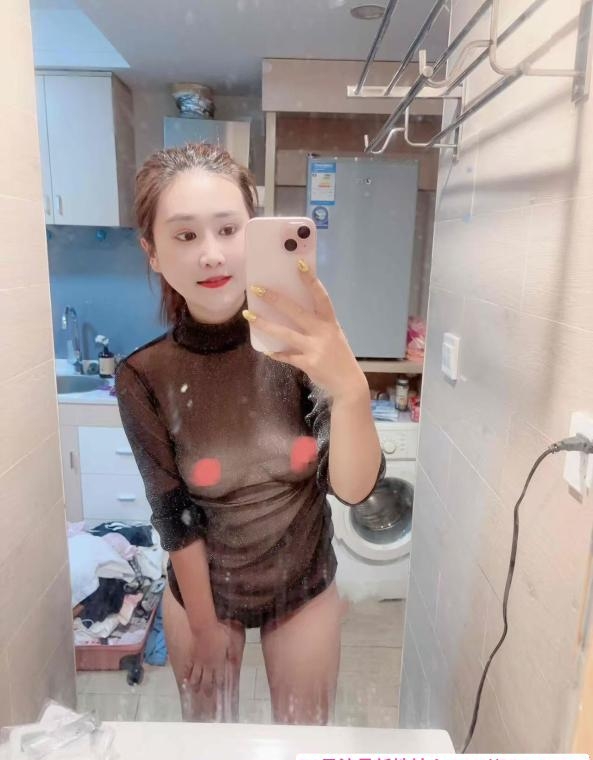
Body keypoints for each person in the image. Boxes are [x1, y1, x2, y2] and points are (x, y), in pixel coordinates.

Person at [115, 142, 384, 724]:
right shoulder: (144, 375)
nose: (211, 254)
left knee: (305, 741)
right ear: (152, 252)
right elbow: (173, 513)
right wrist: (205, 626)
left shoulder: (302, 347)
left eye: (229, 229)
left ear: (253, 233)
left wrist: (351, 390)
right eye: (185, 235)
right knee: (209, 743)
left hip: (303, 581)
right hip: (203, 592)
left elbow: (355, 490)